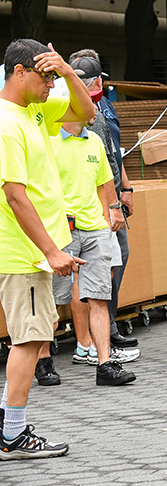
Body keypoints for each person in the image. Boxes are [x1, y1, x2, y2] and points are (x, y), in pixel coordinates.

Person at [0, 39, 95, 459]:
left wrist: (69, 71)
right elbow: (15, 196)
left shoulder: (34, 111)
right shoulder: (7, 123)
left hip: (34, 252)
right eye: (46, 76)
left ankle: (8, 424)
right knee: (28, 340)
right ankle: (12, 433)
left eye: (54, 76)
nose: (51, 84)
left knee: (32, 336)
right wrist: (51, 252)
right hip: (25, 254)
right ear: (19, 72)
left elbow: (86, 112)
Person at [51, 114, 136, 386]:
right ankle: (43, 361)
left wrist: (113, 210)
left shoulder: (95, 140)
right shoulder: (48, 140)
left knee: (99, 295)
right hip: (60, 228)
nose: (93, 110)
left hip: (94, 227)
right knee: (52, 299)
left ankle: (104, 364)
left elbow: (104, 181)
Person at [67, 51, 139, 352]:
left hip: (107, 194)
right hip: (87, 201)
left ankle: (105, 328)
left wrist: (125, 188)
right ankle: (88, 340)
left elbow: (112, 152)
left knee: (115, 260)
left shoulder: (105, 106)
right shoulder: (70, 109)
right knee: (88, 272)